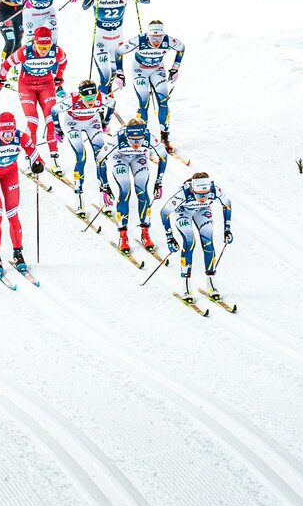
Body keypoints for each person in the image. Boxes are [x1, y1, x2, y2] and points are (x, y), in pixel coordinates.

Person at [0, 110, 42, 274]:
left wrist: (37, 164)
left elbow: (34, 154)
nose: (8, 137)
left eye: (11, 133)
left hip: (10, 174)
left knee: (13, 215)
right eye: (4, 133)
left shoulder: (21, 137)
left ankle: (18, 253)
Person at [0, 24, 67, 167]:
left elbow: (64, 61)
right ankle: (31, 158)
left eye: (47, 47)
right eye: (41, 47)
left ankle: (54, 156)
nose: (44, 51)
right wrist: (0, 78)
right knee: (33, 122)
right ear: (35, 43)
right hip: (27, 86)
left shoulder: (56, 51)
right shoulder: (25, 51)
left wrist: (59, 76)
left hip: (46, 85)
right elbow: (8, 63)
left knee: (50, 119)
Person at [99, 115, 167, 255]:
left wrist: (158, 182)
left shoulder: (149, 137)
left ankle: (145, 233)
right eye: (132, 140)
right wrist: (104, 186)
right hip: (120, 157)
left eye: (139, 140)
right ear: (127, 136)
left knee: (142, 191)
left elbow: (164, 156)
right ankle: (123, 236)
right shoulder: (118, 138)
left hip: (139, 157)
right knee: (125, 191)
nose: (136, 143)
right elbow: (100, 159)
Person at [161, 171, 234, 300]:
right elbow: (164, 212)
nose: (203, 198)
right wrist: (169, 237)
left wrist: (227, 229)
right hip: (182, 212)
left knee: (208, 243)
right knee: (189, 242)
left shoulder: (215, 191)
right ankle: (186, 287)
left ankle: (211, 284)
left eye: (206, 194)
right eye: (199, 194)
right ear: (193, 190)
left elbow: (227, 205)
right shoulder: (183, 194)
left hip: (202, 211)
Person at [119, 18, 187, 154]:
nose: (156, 41)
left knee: (163, 102)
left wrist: (175, 68)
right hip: (139, 69)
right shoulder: (139, 40)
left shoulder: (168, 41)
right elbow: (119, 51)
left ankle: (165, 137)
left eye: (159, 37)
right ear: (147, 35)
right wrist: (119, 73)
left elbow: (181, 48)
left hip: (157, 69)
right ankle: (141, 136)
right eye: (153, 37)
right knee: (144, 102)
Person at [81, 0, 149, 92]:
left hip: (117, 39)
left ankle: (106, 98)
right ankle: (100, 106)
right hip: (101, 39)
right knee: (105, 78)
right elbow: (85, 6)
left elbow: (146, 0)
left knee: (112, 76)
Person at [59, 79, 116, 203]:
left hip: (92, 123)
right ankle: (78, 195)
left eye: (93, 97)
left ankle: (104, 191)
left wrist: (106, 122)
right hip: (73, 124)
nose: (91, 101)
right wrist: (58, 130)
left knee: (100, 157)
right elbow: (54, 110)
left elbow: (112, 104)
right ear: (80, 96)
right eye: (87, 98)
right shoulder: (71, 100)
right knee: (81, 156)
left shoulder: (100, 97)